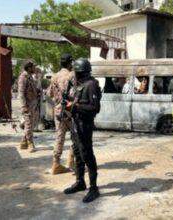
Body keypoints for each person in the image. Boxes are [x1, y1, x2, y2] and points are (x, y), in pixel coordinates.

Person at [63, 58, 102, 203]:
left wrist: (73, 106)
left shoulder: (91, 85)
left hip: (84, 125)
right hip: (75, 124)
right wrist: (67, 99)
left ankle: (93, 188)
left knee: (87, 154)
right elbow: (77, 102)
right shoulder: (80, 85)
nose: (75, 76)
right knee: (78, 153)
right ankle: (80, 182)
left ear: (81, 72)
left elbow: (94, 108)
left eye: (76, 73)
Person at [47, 53, 76, 175]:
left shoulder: (55, 76)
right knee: (76, 137)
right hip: (70, 111)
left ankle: (56, 164)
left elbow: (49, 93)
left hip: (58, 111)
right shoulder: (72, 75)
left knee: (59, 138)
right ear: (70, 63)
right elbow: (75, 94)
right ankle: (71, 160)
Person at [18, 61, 37, 153]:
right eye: (33, 67)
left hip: (32, 104)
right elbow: (21, 93)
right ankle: (30, 143)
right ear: (29, 67)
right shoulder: (23, 77)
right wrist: (23, 106)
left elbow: (32, 89)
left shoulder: (30, 77)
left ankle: (23, 142)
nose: (35, 68)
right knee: (29, 124)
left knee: (30, 124)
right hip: (27, 105)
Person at [32, 67, 43, 132]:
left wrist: (40, 91)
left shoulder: (39, 78)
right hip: (33, 98)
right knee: (33, 112)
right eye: (38, 72)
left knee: (38, 112)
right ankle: (32, 127)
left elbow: (40, 87)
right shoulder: (32, 78)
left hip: (38, 97)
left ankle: (36, 127)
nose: (39, 74)